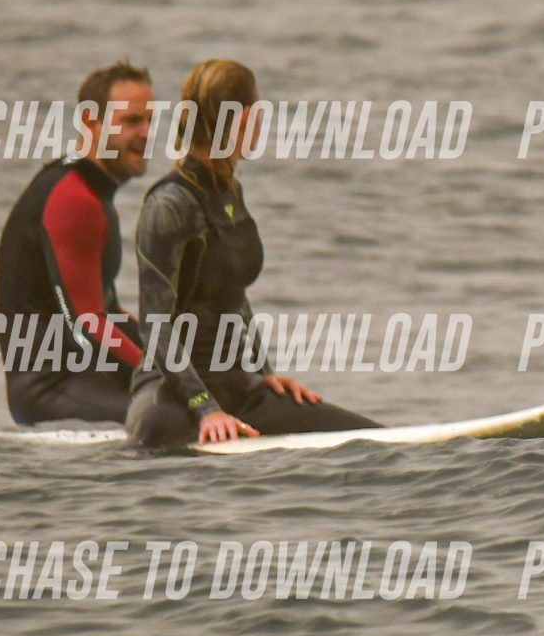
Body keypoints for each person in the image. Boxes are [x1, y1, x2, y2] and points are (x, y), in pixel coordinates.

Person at [125, 59, 379, 449]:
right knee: (159, 436)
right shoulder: (169, 204)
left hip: (235, 385)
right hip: (170, 392)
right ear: (243, 119)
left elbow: (233, 295)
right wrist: (205, 408)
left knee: (370, 440)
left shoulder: (229, 191)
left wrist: (264, 373)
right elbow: (154, 323)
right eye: (258, 111)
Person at [0, 60, 155, 424]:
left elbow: (108, 312)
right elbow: (89, 323)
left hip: (84, 376)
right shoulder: (74, 198)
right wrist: (163, 378)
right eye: (132, 121)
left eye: (150, 120)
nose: (146, 133)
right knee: (177, 416)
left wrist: (177, 367)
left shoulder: (89, 192)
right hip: (50, 391)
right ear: (91, 124)